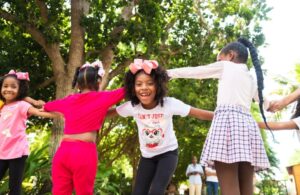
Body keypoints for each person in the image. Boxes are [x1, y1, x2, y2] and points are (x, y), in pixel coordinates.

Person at [167, 38, 270, 195]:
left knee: (230, 190)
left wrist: (168, 73)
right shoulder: (251, 78)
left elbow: (196, 71)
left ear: (230, 55)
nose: (217, 62)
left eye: (219, 58)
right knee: (246, 190)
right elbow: (268, 104)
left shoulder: (226, 66)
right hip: (248, 128)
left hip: (227, 124)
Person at [107, 59, 214, 195]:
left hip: (168, 154)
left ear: (158, 85)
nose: (144, 87)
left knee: (156, 191)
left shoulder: (169, 104)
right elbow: (106, 113)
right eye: (139, 84)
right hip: (147, 156)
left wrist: (227, 115)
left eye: (150, 83)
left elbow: (199, 114)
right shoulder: (133, 107)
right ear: (133, 88)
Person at [43, 60, 125, 195]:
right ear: (98, 82)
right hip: (83, 152)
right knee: (84, 192)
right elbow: (127, 90)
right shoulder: (103, 97)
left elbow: (48, 106)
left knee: (59, 192)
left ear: (78, 84)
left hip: (63, 151)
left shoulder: (69, 100)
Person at [0, 70, 58, 195]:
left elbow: (39, 112)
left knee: (14, 187)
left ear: (20, 89)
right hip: (2, 151)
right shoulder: (2, 106)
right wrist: (35, 101)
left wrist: (61, 114)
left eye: (13, 87)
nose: (8, 89)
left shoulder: (22, 105)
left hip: (17, 152)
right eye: (5, 86)